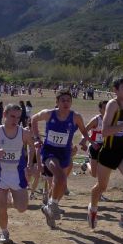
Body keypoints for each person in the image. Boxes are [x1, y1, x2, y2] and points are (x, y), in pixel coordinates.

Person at [88, 76, 123, 236]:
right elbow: (105, 132)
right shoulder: (112, 105)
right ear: (115, 90)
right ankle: (93, 208)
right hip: (109, 151)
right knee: (102, 187)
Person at [31, 89, 90, 228]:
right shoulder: (49, 113)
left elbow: (84, 131)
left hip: (66, 153)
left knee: (61, 185)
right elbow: (33, 119)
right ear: (57, 102)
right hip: (49, 152)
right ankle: (52, 205)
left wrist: (84, 142)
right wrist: (36, 138)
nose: (66, 103)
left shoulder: (76, 116)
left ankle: (50, 209)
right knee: (60, 178)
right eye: (62, 100)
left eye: (68, 100)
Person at [0, 104, 36, 243]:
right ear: (5, 115)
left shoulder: (23, 133)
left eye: (18, 117)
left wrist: (29, 164)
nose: (15, 120)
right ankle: (4, 231)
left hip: (18, 176)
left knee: (22, 208)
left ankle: (11, 200)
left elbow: (31, 147)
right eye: (12, 116)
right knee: (1, 208)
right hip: (0, 176)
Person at [83, 100, 107, 178]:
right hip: (95, 146)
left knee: (105, 169)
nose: (107, 109)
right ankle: (87, 162)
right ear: (100, 110)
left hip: (105, 146)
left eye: (108, 107)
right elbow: (84, 131)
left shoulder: (112, 120)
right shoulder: (96, 120)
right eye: (104, 108)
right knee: (94, 174)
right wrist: (92, 143)